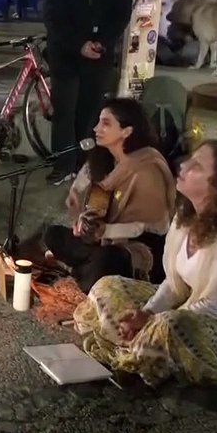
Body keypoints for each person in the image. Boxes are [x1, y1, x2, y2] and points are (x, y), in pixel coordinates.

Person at [74, 140, 217, 390]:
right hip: (188, 302)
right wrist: (146, 313)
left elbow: (215, 307)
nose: (184, 165)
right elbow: (174, 283)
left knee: (171, 326)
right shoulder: (186, 216)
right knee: (108, 286)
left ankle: (134, 349)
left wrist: (154, 322)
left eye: (197, 166)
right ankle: (140, 347)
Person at [42, 98, 175, 292]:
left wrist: (106, 231)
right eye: (97, 122)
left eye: (105, 123)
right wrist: (79, 210)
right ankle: (87, 270)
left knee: (106, 260)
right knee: (52, 234)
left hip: (139, 248)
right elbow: (83, 185)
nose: (96, 128)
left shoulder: (147, 169)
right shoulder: (104, 156)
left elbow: (156, 227)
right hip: (102, 239)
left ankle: (87, 271)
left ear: (126, 131)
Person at [43, 0, 133, 186]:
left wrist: (102, 41)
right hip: (66, 56)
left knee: (90, 112)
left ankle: (85, 164)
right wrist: (78, 44)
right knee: (64, 111)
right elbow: (53, 18)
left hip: (99, 57)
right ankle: (63, 163)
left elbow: (121, 15)